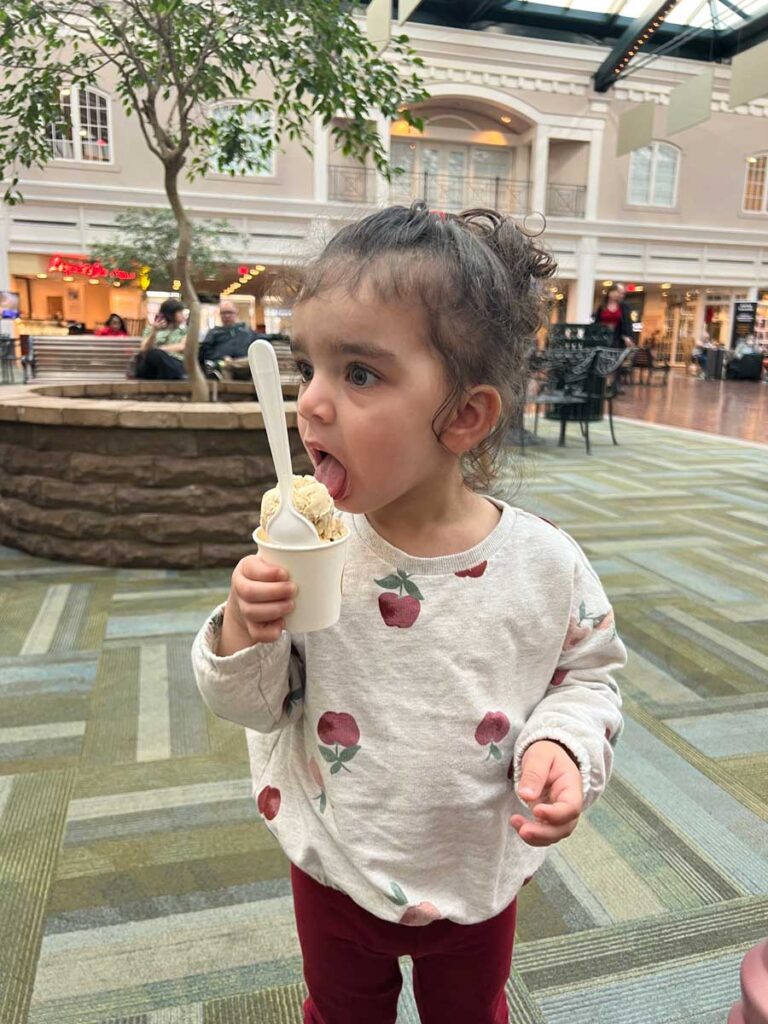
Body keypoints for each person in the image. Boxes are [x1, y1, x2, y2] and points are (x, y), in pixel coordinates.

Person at [192, 202, 626, 1024]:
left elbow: (588, 679)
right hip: (335, 855)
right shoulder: (309, 547)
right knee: (342, 1011)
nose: (313, 403)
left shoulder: (545, 565)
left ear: (464, 416)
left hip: (474, 866)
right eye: (307, 367)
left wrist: (564, 745)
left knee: (472, 1013)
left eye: (359, 374)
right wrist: (245, 630)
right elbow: (251, 706)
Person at [198, 300, 256, 375]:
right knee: (225, 367)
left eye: (230, 312)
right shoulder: (214, 332)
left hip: (244, 365)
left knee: (250, 362)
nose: (227, 316)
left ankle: (226, 364)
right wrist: (222, 358)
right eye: (223, 313)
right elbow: (204, 352)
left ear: (236, 313)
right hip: (223, 365)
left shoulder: (246, 331)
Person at [134, 298, 187, 379]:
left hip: (174, 363)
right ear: (171, 314)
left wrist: (159, 350)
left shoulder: (184, 331)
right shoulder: (151, 329)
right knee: (151, 356)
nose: (183, 316)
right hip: (152, 366)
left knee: (155, 354)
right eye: (180, 312)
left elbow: (182, 346)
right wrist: (154, 331)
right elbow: (144, 349)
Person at [592, 284, 633, 349]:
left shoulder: (624, 307)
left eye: (622, 293)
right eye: (618, 292)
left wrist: (627, 336)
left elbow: (627, 323)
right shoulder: (602, 306)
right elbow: (597, 322)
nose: (619, 295)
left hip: (617, 337)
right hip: (603, 336)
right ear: (610, 292)